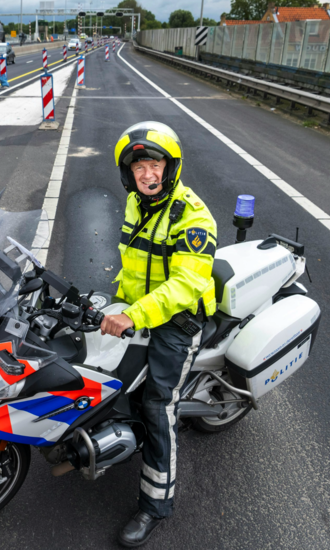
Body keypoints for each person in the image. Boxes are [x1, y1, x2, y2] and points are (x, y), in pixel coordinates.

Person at [100, 121, 217, 547]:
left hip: (178, 321)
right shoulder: (136, 205)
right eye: (139, 168)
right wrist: (110, 305)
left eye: (155, 164)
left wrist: (134, 316)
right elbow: (134, 267)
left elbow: (184, 287)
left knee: (157, 405)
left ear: (170, 167)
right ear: (128, 174)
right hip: (142, 312)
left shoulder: (193, 216)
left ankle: (155, 503)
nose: (147, 174)